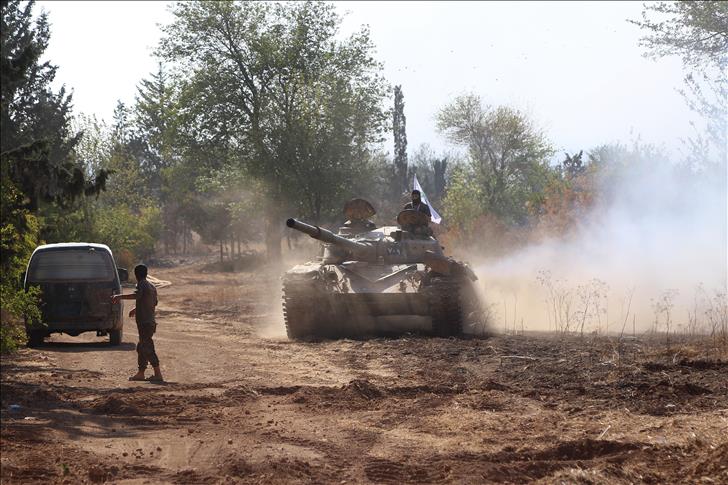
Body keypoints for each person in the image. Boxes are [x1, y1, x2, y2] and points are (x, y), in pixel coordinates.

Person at [111, 264, 163, 382]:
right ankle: (141, 373)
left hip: (145, 322)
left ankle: (158, 373)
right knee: (141, 347)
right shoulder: (151, 286)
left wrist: (119, 297)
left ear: (136, 274)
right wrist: (136, 309)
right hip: (149, 322)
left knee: (147, 347)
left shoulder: (142, 284)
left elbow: (137, 295)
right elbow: (153, 302)